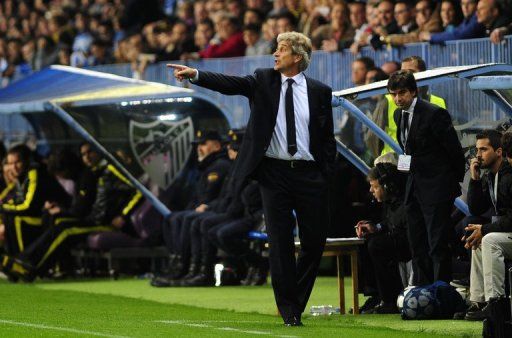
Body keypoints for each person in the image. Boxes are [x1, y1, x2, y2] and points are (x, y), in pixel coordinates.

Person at [168, 30, 336, 326]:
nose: (275, 53)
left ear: (297, 57)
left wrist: (325, 173)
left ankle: (295, 298)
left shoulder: (320, 91)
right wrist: (196, 73)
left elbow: (325, 138)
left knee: (314, 242)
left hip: (310, 175)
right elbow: (230, 84)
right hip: (274, 173)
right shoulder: (263, 79)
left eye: (282, 49)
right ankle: (290, 310)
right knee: (280, 241)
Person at [388, 70, 465, 286]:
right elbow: (407, 150)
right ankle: (422, 292)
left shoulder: (434, 114)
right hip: (413, 186)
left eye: (402, 93)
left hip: (437, 186)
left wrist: (449, 183)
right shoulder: (399, 115)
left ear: (413, 91)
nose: (397, 98)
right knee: (416, 240)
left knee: (437, 241)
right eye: (393, 94)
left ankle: (441, 290)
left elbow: (454, 151)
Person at [463, 130, 512, 321]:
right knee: (478, 239)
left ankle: (496, 304)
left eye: (484, 149)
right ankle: (479, 302)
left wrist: (484, 229)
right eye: (477, 150)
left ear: (499, 152)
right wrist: (474, 180)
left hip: (507, 233)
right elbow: (476, 208)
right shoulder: (490, 176)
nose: (478, 155)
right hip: (507, 234)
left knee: (489, 239)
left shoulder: (509, 176)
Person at [355, 158, 410, 314]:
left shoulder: (406, 204)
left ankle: (389, 300)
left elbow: (400, 228)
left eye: (374, 187)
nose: (371, 191)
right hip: (399, 241)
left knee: (377, 245)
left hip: (411, 245)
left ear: (387, 186)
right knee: (365, 242)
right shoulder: (389, 203)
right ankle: (376, 295)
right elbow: (387, 223)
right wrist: (375, 227)